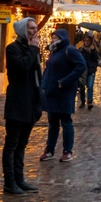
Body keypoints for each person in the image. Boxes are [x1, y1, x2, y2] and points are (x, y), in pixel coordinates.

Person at [2, 17, 42, 195]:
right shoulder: (13, 49)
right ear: (23, 31)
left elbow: (37, 77)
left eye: (35, 28)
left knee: (22, 145)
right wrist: (33, 49)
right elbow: (22, 66)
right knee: (12, 143)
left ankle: (19, 179)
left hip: (30, 103)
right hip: (17, 103)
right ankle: (9, 182)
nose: (35, 31)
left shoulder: (31, 50)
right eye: (31, 28)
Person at [39, 29, 87, 163]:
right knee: (52, 122)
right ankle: (49, 150)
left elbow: (81, 66)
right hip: (52, 91)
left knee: (66, 121)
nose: (53, 40)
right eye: (52, 37)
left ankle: (67, 151)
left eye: (56, 37)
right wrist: (44, 84)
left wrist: (65, 81)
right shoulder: (53, 52)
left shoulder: (70, 50)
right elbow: (48, 70)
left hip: (64, 92)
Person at [77, 32, 100, 110]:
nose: (86, 42)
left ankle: (90, 102)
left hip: (90, 71)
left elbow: (96, 58)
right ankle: (83, 101)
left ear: (90, 42)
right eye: (85, 40)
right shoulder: (81, 50)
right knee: (82, 87)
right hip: (83, 72)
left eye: (88, 41)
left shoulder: (93, 50)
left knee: (90, 86)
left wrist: (93, 50)